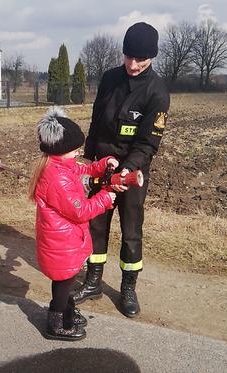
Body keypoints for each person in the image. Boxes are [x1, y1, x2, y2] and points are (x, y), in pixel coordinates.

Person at [75, 22, 170, 318]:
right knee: (96, 225)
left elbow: (147, 144)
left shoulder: (157, 92)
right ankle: (93, 282)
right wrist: (89, 159)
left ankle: (128, 287)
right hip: (101, 166)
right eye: (128, 56)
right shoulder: (109, 78)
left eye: (139, 59)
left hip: (132, 172)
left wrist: (124, 172)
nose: (132, 64)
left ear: (151, 57)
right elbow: (96, 121)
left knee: (130, 232)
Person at [29, 106, 117, 341]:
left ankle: (66, 310)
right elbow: (80, 211)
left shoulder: (63, 165)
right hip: (61, 242)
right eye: (75, 149)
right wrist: (104, 198)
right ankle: (55, 322)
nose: (79, 151)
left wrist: (104, 163)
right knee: (63, 282)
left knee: (65, 280)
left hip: (64, 240)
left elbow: (84, 168)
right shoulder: (57, 178)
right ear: (60, 150)